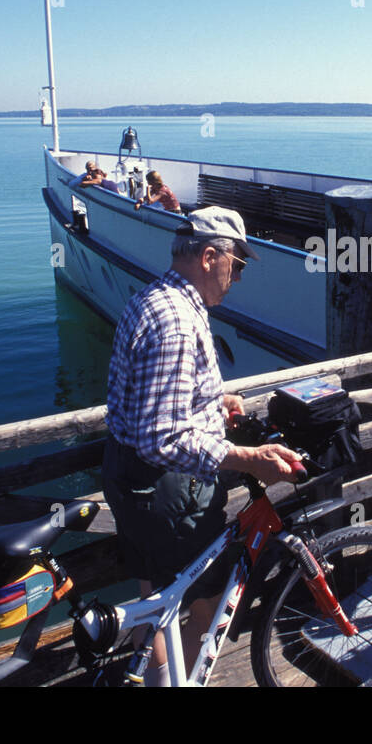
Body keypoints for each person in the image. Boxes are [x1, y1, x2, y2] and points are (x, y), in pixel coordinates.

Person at [102, 207, 301, 686]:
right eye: (239, 264)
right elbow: (163, 436)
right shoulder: (177, 322)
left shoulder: (154, 298)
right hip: (165, 491)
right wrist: (250, 458)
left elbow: (154, 402)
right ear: (210, 257)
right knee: (207, 597)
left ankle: (153, 680)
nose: (238, 277)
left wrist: (214, 400)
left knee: (156, 600)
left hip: (128, 477)